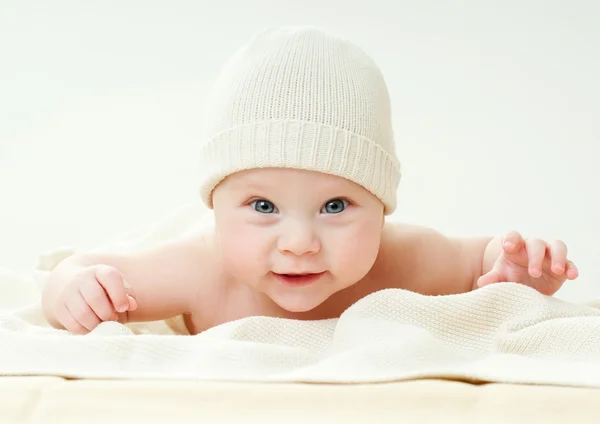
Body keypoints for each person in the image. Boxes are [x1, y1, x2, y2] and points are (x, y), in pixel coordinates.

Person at [41, 26, 578, 335]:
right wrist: (75, 289)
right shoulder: (203, 269)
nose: (299, 243)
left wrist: (514, 270)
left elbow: (478, 258)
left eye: (337, 206)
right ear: (215, 204)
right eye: (262, 206)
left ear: (382, 205)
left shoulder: (402, 258)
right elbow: (84, 269)